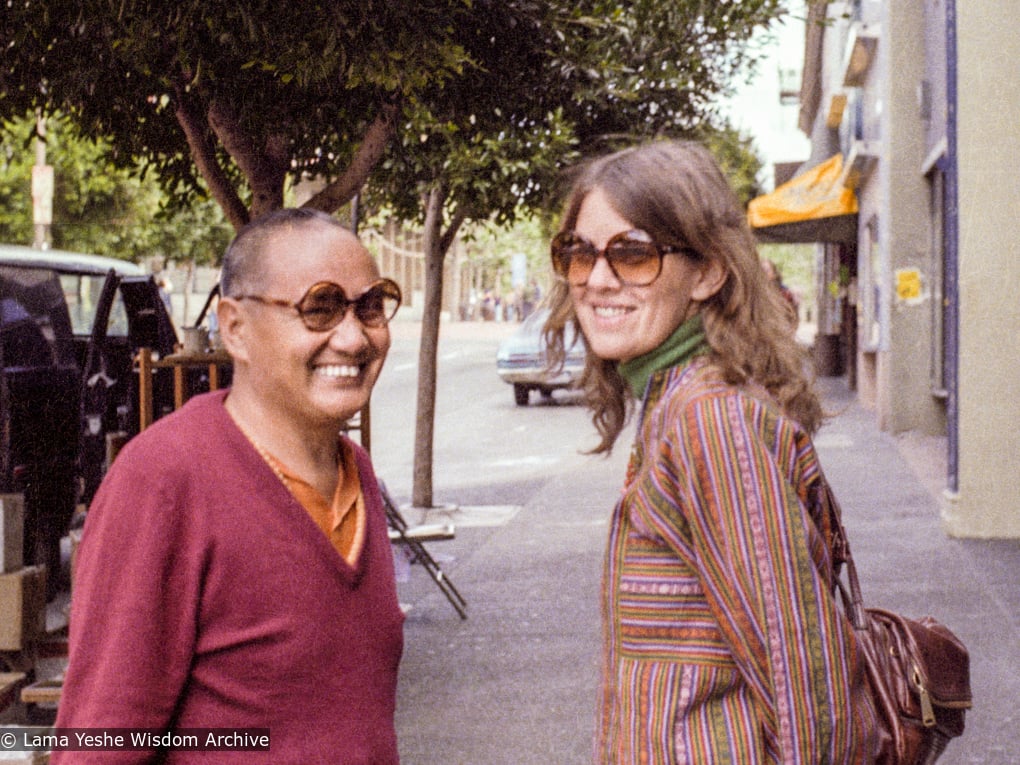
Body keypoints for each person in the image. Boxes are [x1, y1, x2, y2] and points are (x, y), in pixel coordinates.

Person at [544, 141, 878, 763]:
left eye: (634, 253)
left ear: (708, 271)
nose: (595, 278)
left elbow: (807, 684)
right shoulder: (675, 404)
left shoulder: (710, 420)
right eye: (578, 252)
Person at [53, 208, 406, 764]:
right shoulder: (164, 481)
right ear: (235, 328)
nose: (355, 337)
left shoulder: (355, 469)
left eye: (371, 307)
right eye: (321, 308)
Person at [761, 258, 800, 326]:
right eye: (761, 271)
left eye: (766, 270)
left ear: (774, 274)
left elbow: (792, 314)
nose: (764, 274)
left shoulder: (784, 291)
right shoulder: (754, 292)